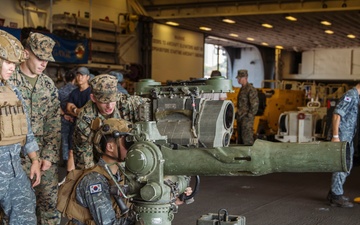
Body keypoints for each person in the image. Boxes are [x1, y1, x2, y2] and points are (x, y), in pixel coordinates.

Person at [9, 32, 61, 224]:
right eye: (40, 57)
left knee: (49, 207)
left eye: (47, 59)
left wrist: (47, 157)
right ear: (26, 53)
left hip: (44, 158)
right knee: (16, 210)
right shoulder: (8, 81)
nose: (44, 64)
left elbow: (54, 125)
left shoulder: (48, 85)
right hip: (14, 158)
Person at [0, 30, 41, 224]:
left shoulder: (12, 90)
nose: (12, 68)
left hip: (14, 171)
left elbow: (26, 128)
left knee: (25, 215)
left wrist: (34, 159)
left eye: (14, 64)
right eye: (8, 63)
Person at [73, 74, 149, 170]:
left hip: (132, 157)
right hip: (101, 162)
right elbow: (84, 159)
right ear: (93, 98)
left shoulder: (125, 102)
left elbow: (153, 105)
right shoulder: (85, 118)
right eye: (104, 102)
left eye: (112, 100)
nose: (109, 106)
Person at [327, 83, 360, 208]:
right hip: (342, 136)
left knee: (347, 164)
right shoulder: (350, 95)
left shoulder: (356, 96)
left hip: (348, 136)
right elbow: (337, 114)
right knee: (342, 164)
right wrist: (335, 136)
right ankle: (336, 196)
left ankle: (334, 191)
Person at [58, 70, 77, 168]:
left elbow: (56, 104)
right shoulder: (77, 90)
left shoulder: (60, 90)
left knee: (65, 139)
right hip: (75, 118)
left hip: (64, 118)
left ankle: (65, 159)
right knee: (74, 139)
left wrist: (64, 114)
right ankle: (73, 159)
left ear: (65, 79)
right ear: (75, 79)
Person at [236, 69, 259, 145]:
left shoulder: (250, 89)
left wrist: (249, 116)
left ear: (245, 78)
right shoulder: (242, 89)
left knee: (247, 139)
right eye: (238, 78)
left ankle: (249, 155)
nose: (238, 80)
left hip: (246, 119)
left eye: (240, 78)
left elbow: (254, 104)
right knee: (240, 140)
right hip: (241, 118)